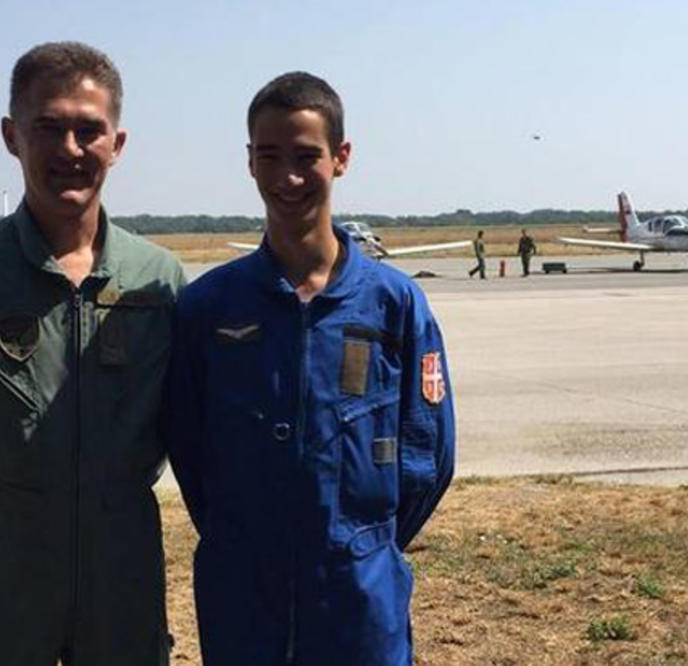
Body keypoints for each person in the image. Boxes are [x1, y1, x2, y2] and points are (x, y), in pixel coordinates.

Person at [0, 42, 184, 665]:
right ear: (10, 136)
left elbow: (187, 423)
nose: (70, 149)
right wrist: (1, 504)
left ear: (118, 144)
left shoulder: (159, 281)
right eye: (48, 127)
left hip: (121, 577)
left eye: (89, 130)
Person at [166, 72, 455, 666]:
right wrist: (247, 539)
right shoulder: (208, 308)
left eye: (306, 157)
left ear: (341, 158)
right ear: (249, 161)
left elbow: (427, 458)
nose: (288, 177)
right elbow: (190, 452)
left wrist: (356, 544)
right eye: (269, 157)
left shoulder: (395, 306)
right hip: (243, 596)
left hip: (359, 597)